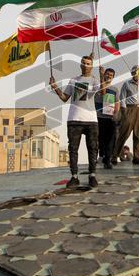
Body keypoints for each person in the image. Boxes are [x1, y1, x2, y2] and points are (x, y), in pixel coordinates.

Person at [49, 53, 101, 188]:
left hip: (91, 119)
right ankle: (74, 176)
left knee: (93, 148)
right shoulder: (73, 80)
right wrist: (55, 87)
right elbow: (64, 97)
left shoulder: (95, 81)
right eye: (83, 63)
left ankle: (92, 175)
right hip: (74, 119)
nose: (85, 66)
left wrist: (102, 76)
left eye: (88, 64)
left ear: (92, 66)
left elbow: (102, 92)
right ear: (80, 65)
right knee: (73, 149)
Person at [114, 66, 139, 164]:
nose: (137, 73)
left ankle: (137, 156)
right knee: (124, 133)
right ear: (132, 73)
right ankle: (115, 155)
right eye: (135, 72)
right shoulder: (127, 84)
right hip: (130, 109)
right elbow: (122, 98)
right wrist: (124, 112)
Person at [95, 68, 121, 169]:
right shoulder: (97, 86)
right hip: (99, 116)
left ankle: (108, 159)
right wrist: (101, 76)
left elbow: (117, 102)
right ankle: (100, 156)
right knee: (100, 139)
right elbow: (102, 91)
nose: (108, 76)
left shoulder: (115, 89)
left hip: (110, 118)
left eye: (111, 75)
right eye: (107, 74)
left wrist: (116, 113)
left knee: (111, 139)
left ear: (113, 77)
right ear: (104, 74)